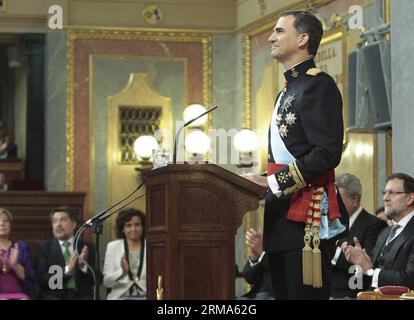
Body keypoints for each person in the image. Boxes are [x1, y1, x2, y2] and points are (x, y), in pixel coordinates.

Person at [243, 10, 348, 299]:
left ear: (302, 39)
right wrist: (259, 180)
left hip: (307, 217)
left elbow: (327, 153)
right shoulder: (286, 92)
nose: (270, 37)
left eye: (279, 31)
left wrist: (273, 183)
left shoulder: (318, 84)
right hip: (281, 217)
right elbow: (290, 156)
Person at [344, 173, 414, 290]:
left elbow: (409, 279)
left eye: (391, 193)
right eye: (384, 192)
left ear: (409, 198)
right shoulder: (384, 233)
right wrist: (360, 260)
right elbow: (369, 271)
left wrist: (371, 271)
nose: (385, 198)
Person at [330, 173, 387, 298]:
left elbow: (367, 264)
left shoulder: (375, 225)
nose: (331, 204)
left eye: (336, 199)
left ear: (354, 199)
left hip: (353, 293)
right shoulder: (332, 223)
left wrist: (331, 251)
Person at [36, 206, 95, 299]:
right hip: (54, 296)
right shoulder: (44, 248)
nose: (58, 225)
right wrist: (67, 270)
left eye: (63, 220)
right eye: (54, 221)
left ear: (74, 225)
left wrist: (82, 266)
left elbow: (96, 279)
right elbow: (42, 279)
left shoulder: (87, 248)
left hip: (82, 296)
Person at [103, 208, 146, 300]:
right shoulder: (112, 247)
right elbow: (106, 282)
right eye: (128, 225)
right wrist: (122, 273)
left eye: (137, 224)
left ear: (143, 226)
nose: (133, 229)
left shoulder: (152, 246)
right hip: (120, 297)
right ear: (122, 229)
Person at [0, 208, 35, 299]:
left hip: (19, 291)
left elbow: (30, 277)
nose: (2, 224)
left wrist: (16, 266)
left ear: (10, 225)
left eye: (6, 221)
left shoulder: (21, 246)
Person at [238, 228, 274, 300]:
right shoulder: (264, 239)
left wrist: (261, 253)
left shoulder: (288, 242)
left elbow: (281, 270)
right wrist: (254, 257)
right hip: (256, 295)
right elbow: (249, 279)